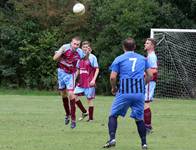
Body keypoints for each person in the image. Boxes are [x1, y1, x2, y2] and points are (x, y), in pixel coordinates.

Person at [103, 37, 152, 150]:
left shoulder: (119, 59)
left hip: (124, 92)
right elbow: (150, 75)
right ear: (134, 47)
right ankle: (144, 144)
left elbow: (112, 77)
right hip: (139, 93)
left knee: (113, 115)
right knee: (139, 119)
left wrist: (114, 88)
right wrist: (142, 84)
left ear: (123, 47)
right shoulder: (143, 59)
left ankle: (112, 139)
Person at [53, 36, 86, 129]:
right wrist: (59, 53)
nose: (76, 46)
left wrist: (76, 75)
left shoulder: (80, 53)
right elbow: (54, 58)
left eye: (77, 44)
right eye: (74, 44)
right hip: (61, 72)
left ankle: (73, 119)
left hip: (71, 74)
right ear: (71, 43)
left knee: (71, 94)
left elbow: (82, 63)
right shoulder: (64, 47)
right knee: (63, 95)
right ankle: (67, 114)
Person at [74, 41, 99, 122]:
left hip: (89, 83)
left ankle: (91, 119)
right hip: (81, 82)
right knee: (74, 97)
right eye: (83, 47)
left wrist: (93, 80)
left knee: (89, 100)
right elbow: (78, 70)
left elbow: (97, 69)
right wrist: (73, 79)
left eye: (86, 47)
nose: (85, 49)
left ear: (89, 48)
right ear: (81, 48)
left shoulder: (92, 57)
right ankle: (84, 112)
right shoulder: (79, 58)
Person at [144, 38, 158, 134]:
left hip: (149, 82)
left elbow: (154, 70)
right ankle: (147, 125)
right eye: (145, 42)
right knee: (144, 103)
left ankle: (148, 127)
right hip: (148, 81)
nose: (145, 44)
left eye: (147, 43)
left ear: (152, 46)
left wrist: (144, 75)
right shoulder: (149, 55)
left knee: (146, 103)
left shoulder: (152, 56)